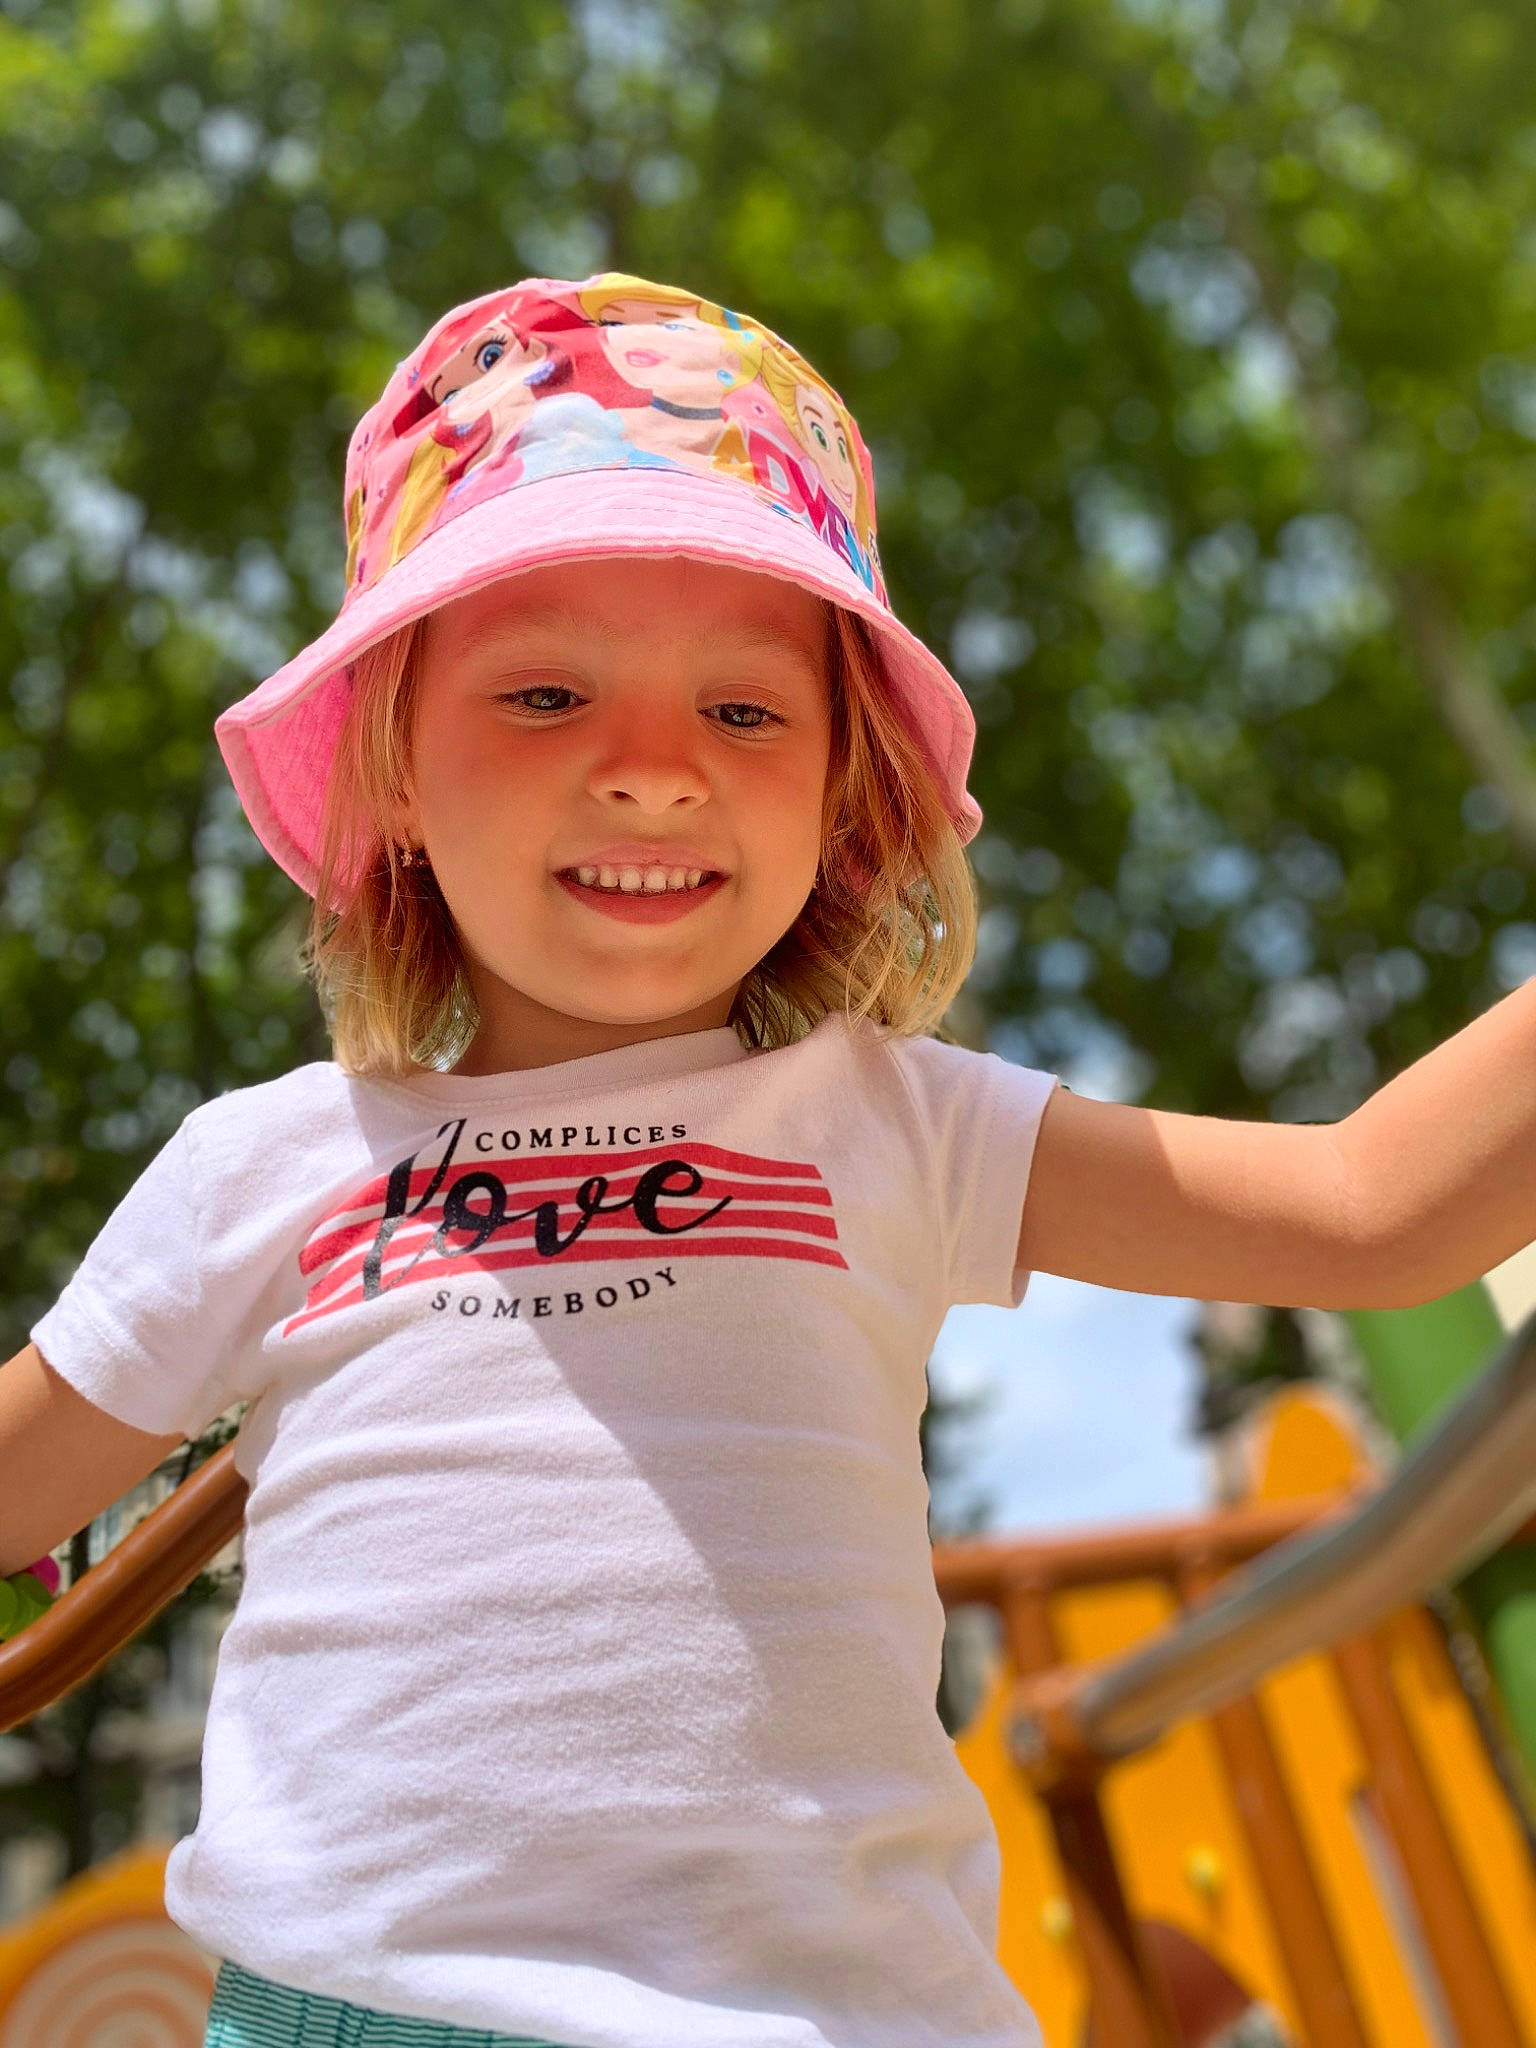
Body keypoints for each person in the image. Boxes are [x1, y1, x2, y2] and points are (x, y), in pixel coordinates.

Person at [0, 272, 1532, 2048]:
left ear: (840, 792)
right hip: (369, 2012)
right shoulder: (260, 1169)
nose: (653, 773)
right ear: (396, 773)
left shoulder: (894, 1117)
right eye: (547, 694)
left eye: (744, 715)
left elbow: (1370, 1211)